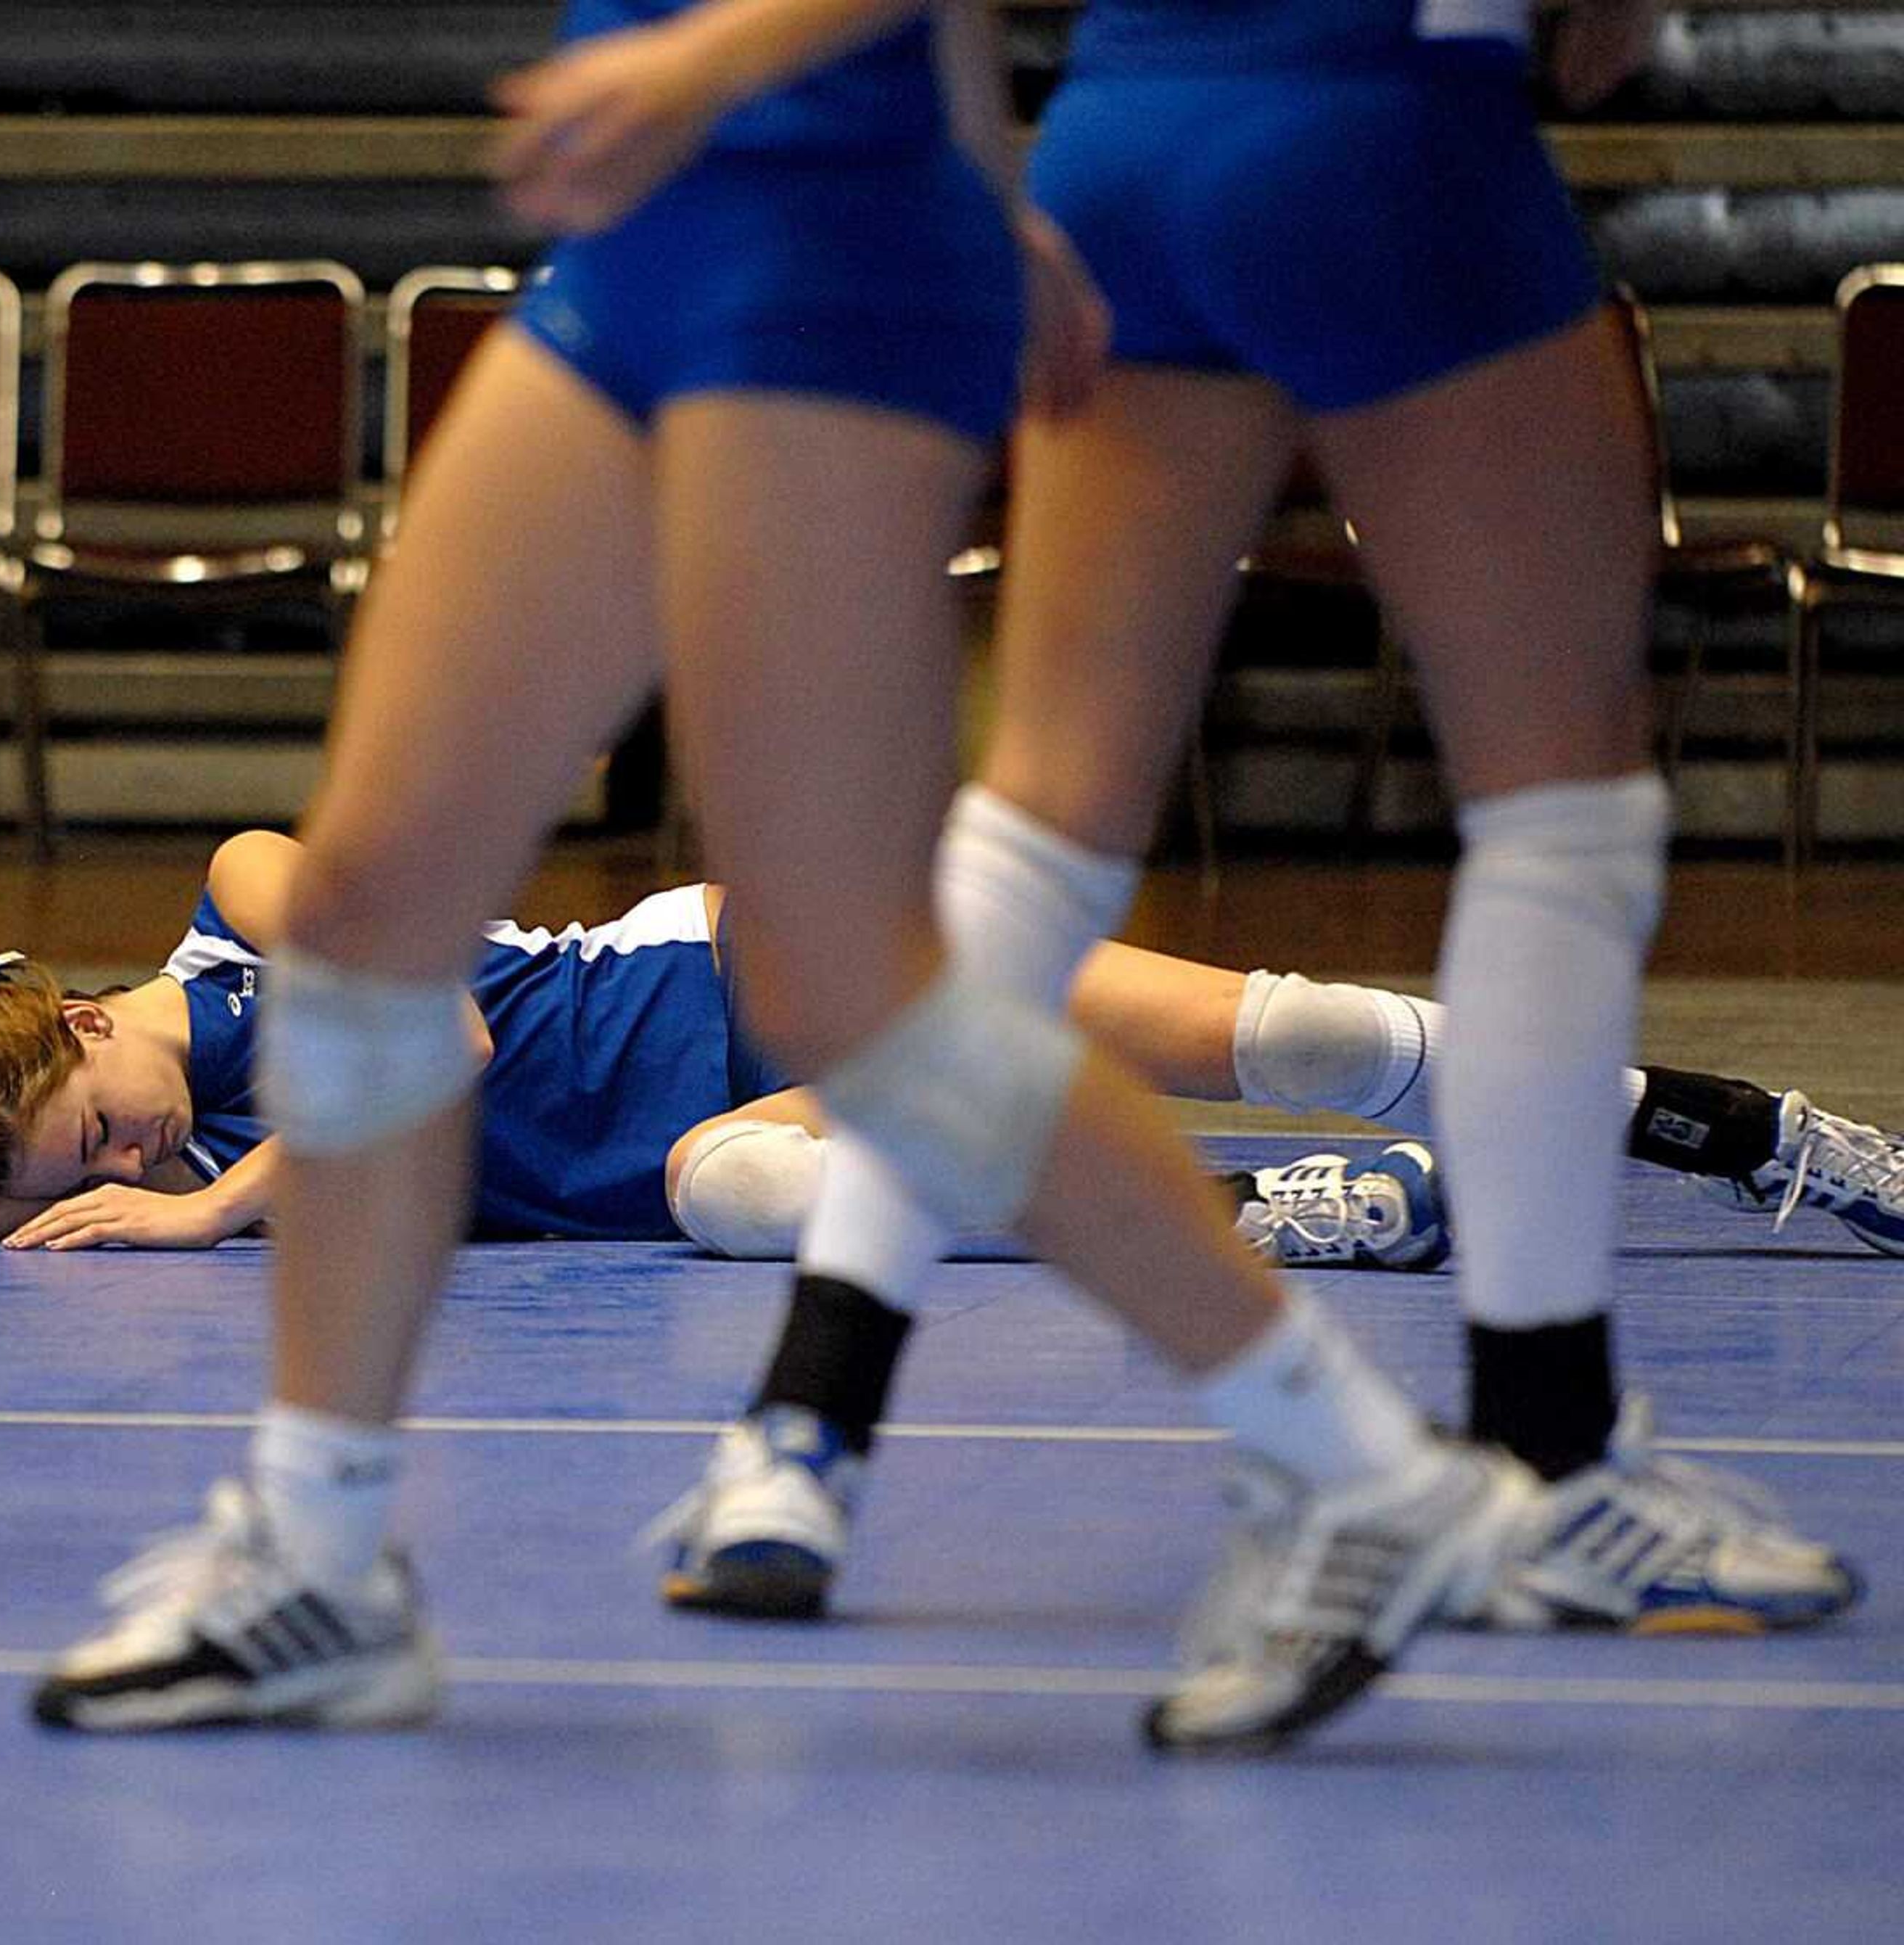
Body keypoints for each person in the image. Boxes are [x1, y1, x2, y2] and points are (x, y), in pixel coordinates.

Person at [27, 0, 1546, 1756]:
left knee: (862, 994)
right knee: (367, 916)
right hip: (655, 242)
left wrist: (728, 73)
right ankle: (315, 1567)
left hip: (814, 242)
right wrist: (982, 176)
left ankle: (1359, 1468)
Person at [656, 0, 1861, 1648]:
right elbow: (1593, 45)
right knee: (1558, 817)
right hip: (1393, 113)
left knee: (1036, 834)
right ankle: (1556, 1460)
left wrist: (983, 180)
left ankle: (800, 1433)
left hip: (1127, 135)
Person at [0, 828, 1904, 1272]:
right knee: (725, 1201)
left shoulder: (251, 905)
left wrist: (216, 1208)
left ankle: (1747, 1131)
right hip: (734, 1121)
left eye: (102, 1120)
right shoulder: (108, 1132)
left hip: (779, 958)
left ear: (88, 1028)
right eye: (94, 1154)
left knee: (1311, 1030)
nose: (124, 1162)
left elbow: (429, 1076)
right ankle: (1271, 1222)